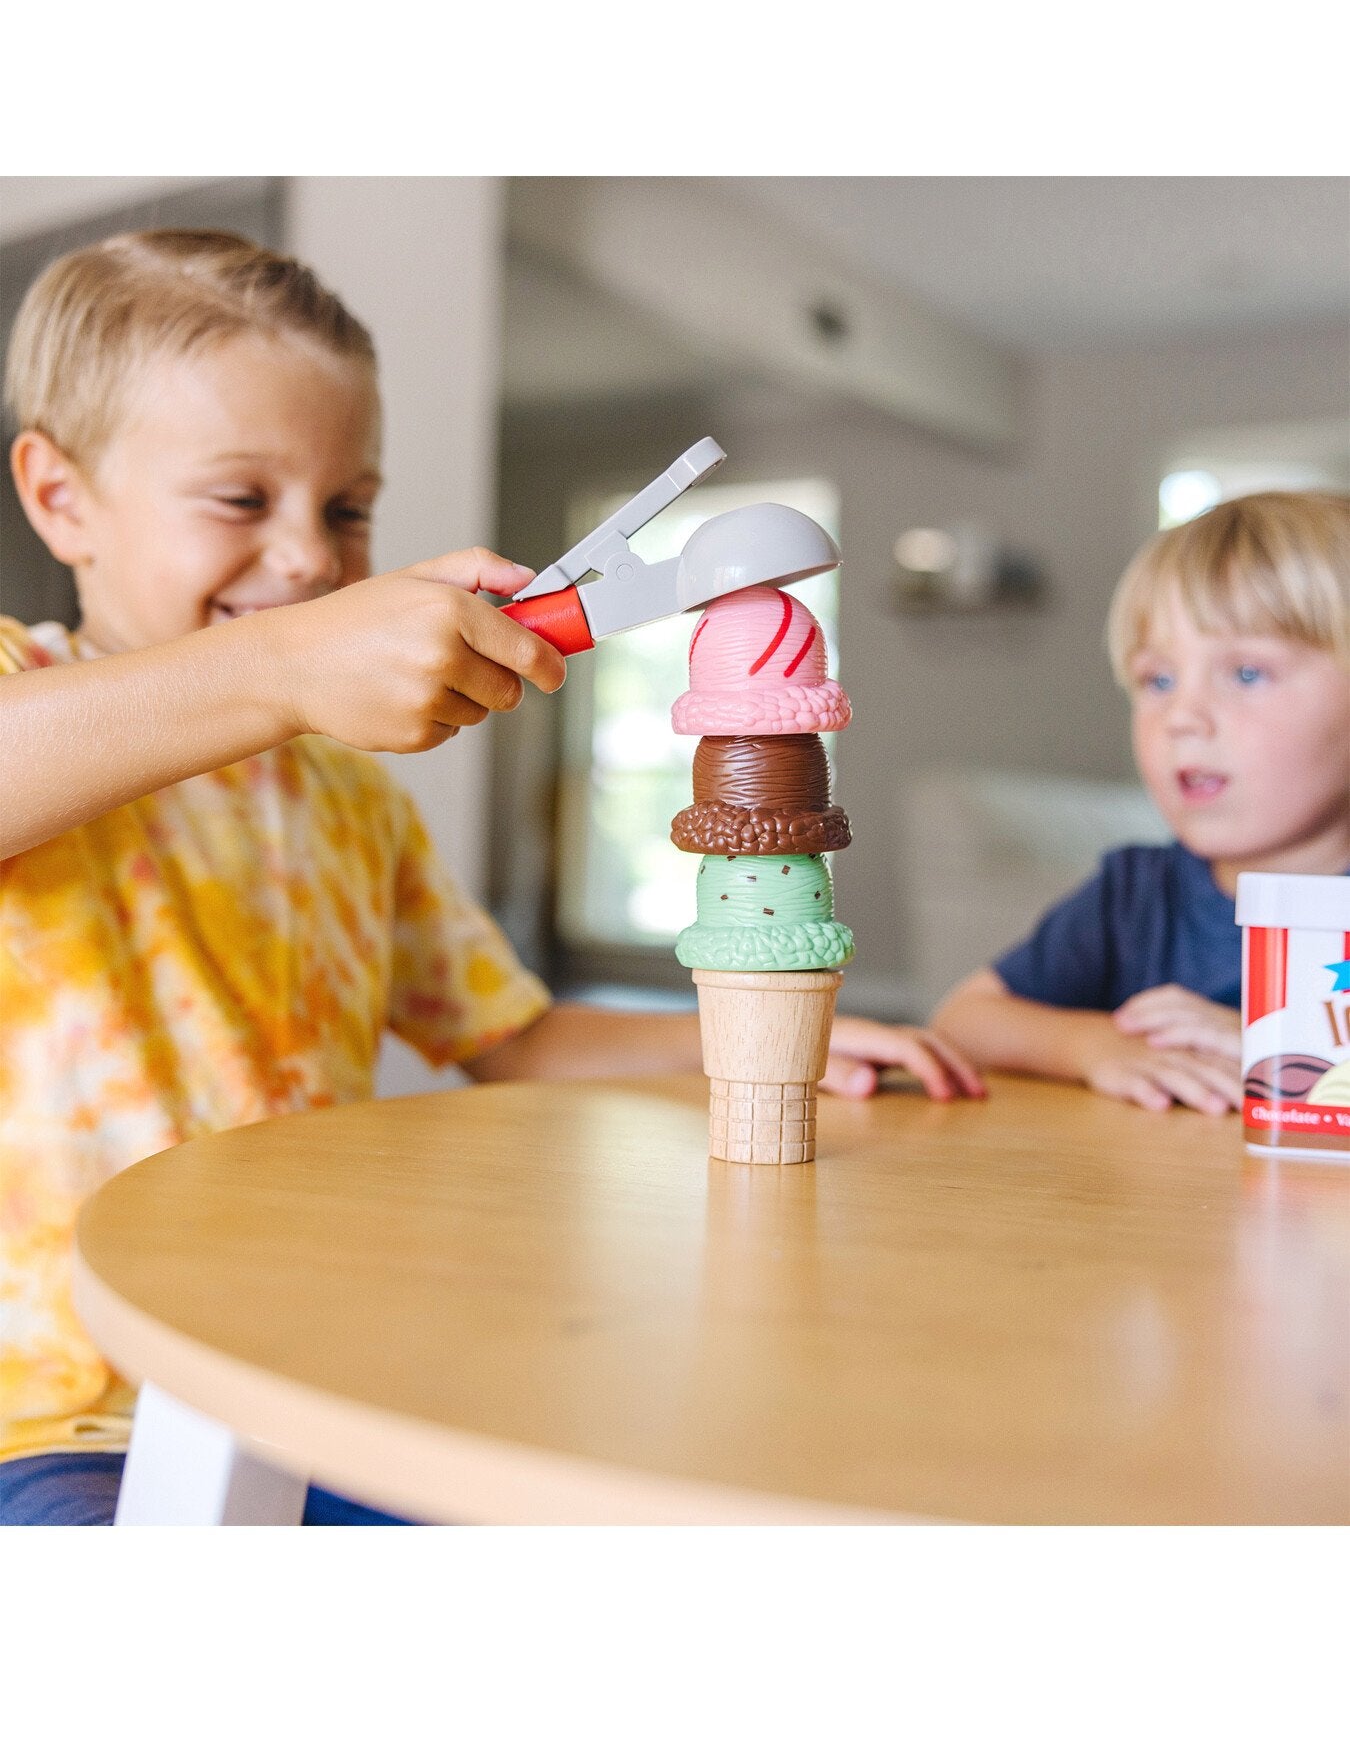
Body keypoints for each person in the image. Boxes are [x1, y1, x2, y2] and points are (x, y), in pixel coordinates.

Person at [0, 229, 983, 1526]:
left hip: (310, 1381)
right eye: (242, 501)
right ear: (59, 497)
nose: (307, 557)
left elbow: (513, 1037)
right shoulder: (33, 696)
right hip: (62, 1422)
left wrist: (737, 1042)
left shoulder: (343, 797)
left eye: (347, 508)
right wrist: (288, 667)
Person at [932, 491, 1350, 1116]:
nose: (1182, 716)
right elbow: (962, 1020)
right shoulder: (1133, 895)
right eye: (1158, 680)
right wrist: (1091, 1045)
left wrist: (1277, 1051)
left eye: (1246, 673)